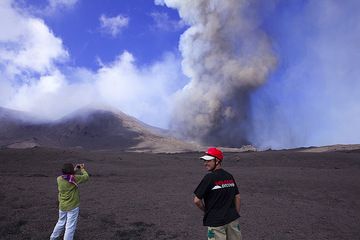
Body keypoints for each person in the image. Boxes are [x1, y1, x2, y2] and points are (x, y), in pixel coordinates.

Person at [194, 147, 242, 240]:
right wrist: (234, 213)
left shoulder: (209, 178)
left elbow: (196, 200)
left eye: (208, 161)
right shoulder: (229, 176)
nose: (205, 164)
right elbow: (238, 197)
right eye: (204, 161)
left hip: (216, 221)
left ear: (217, 161)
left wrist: (206, 211)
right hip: (232, 219)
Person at [50, 163, 89, 240]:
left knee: (60, 222)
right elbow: (86, 177)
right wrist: (82, 169)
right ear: (71, 172)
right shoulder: (74, 178)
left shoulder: (59, 179)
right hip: (72, 206)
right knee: (70, 226)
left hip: (62, 205)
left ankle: (53, 237)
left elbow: (67, 176)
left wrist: (75, 169)